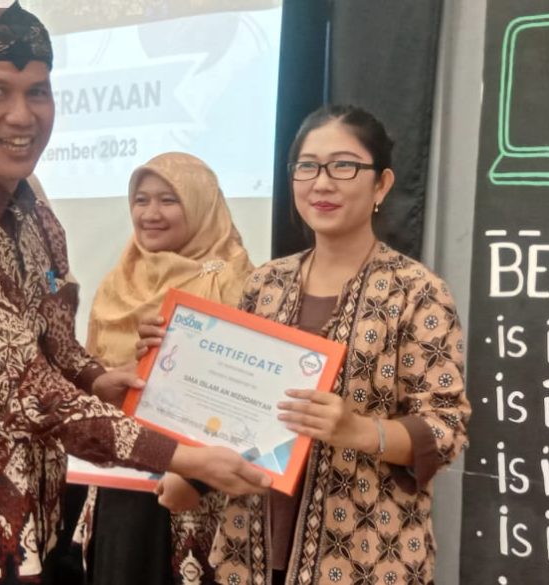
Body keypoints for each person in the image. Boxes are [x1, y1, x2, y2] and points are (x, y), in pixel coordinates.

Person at [0, 4, 269, 584]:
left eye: (38, 92)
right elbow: (22, 387)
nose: (22, 115)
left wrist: (97, 379)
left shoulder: (35, 217)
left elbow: (54, 343)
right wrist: (182, 457)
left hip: (34, 527)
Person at [154, 104, 471, 585]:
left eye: (344, 166)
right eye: (307, 166)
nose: (322, 183)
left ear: (381, 184)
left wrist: (359, 431)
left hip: (367, 557)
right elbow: (231, 407)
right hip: (249, 548)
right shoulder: (265, 284)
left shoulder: (417, 292)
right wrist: (189, 464)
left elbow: (446, 427)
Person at [81, 152, 254, 585]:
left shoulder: (235, 279)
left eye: (169, 200)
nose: (150, 214)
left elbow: (247, 392)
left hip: (199, 483)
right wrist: (127, 372)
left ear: (200, 204)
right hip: (124, 477)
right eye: (141, 200)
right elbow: (92, 375)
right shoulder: (117, 281)